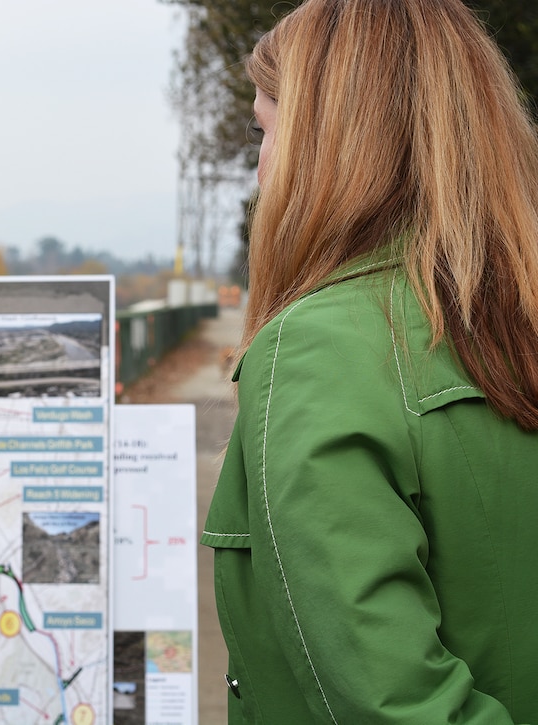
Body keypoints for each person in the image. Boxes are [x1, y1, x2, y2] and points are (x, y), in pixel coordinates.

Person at [201, 0, 538, 721]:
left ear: (333, 149)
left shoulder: (319, 351)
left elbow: (390, 702)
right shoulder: (515, 326)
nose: (262, 172)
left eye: (265, 132)